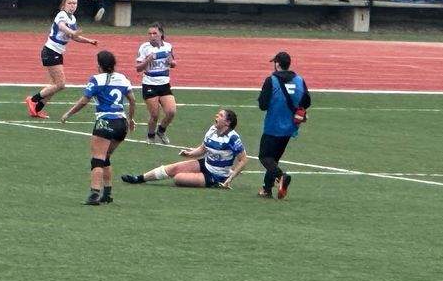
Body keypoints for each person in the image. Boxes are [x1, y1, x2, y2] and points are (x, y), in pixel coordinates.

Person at [61, 49, 136, 205]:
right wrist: (131, 119)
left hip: (105, 121)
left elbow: (84, 101)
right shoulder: (123, 78)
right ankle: (107, 194)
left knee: (97, 160)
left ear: (99, 65)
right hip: (121, 124)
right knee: (106, 158)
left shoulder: (96, 79)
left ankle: (94, 194)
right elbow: (132, 99)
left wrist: (68, 114)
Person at [122, 109, 247, 189]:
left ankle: (215, 183)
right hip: (205, 163)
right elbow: (203, 148)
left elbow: (243, 160)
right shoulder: (212, 130)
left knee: (178, 178)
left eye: (220, 115)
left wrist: (230, 179)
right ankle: (138, 179)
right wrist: (189, 154)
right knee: (173, 168)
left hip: (217, 175)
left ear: (227, 122)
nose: (216, 116)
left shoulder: (233, 138)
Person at [27, 0, 98, 117]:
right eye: (70, 3)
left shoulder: (72, 19)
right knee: (60, 84)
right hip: (50, 51)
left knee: (54, 85)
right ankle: (33, 100)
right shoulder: (62, 15)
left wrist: (89, 41)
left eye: (75, 3)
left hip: (57, 52)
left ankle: (37, 109)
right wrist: (72, 32)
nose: (72, 6)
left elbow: (75, 37)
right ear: (64, 4)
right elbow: (62, 27)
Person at [254, 50, 310, 200]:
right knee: (274, 159)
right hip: (290, 127)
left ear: (277, 64)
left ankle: (281, 176)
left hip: (273, 125)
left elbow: (263, 105)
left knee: (265, 157)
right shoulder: (299, 80)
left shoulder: (271, 80)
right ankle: (267, 189)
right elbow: (307, 101)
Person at [135, 25, 176, 143]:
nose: (152, 36)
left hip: (164, 84)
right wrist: (148, 60)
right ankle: (150, 136)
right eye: (150, 34)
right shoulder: (144, 47)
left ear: (161, 34)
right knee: (154, 115)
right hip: (149, 84)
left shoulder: (168, 46)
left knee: (171, 111)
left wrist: (172, 62)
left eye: (154, 33)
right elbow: (138, 68)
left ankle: (161, 131)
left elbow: (173, 63)